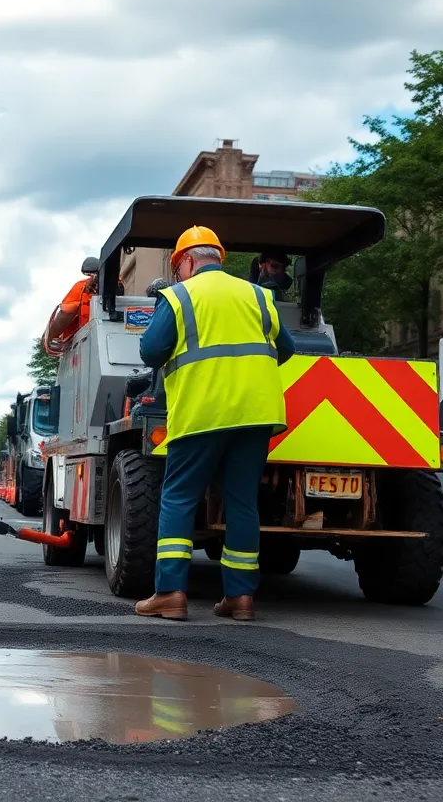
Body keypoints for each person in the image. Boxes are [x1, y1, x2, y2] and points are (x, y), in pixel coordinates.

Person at [134, 225, 296, 622]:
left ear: (187, 261)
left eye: (179, 267)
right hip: (256, 415)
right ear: (218, 258)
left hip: (203, 413)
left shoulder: (177, 296)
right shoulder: (259, 294)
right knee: (242, 501)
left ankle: (171, 593)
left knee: (179, 498)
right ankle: (240, 598)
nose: (179, 274)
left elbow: (151, 352)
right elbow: (287, 349)